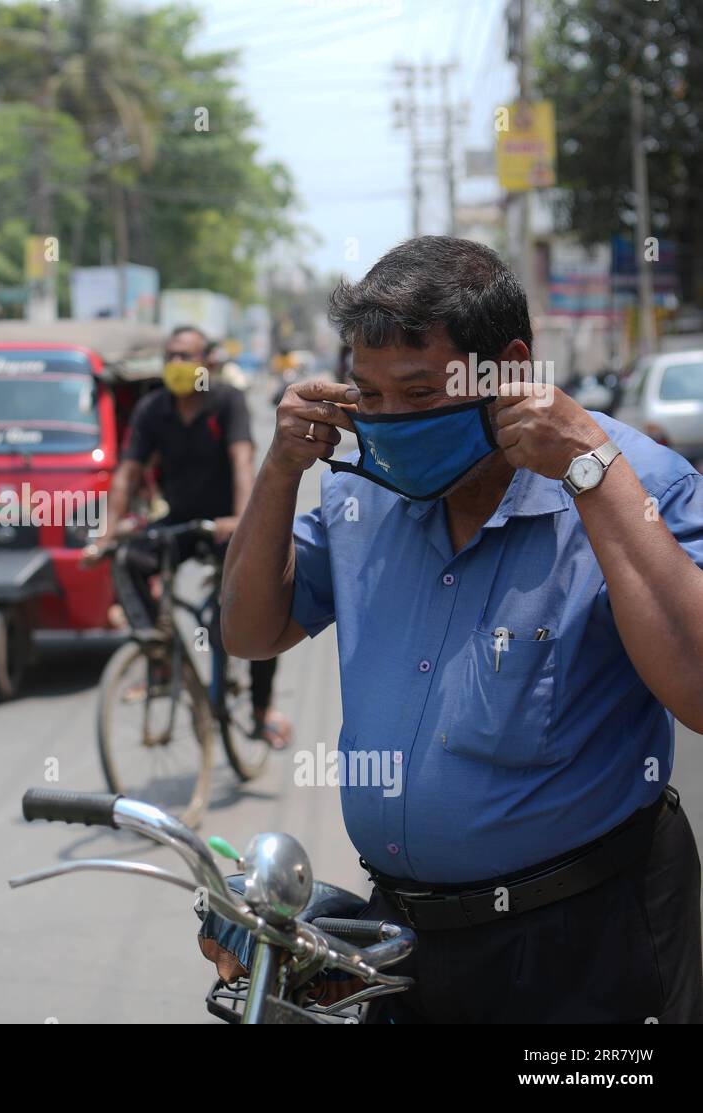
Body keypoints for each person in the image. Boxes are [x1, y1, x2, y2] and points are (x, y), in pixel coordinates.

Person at [222, 235, 703, 1022]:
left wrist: (589, 469)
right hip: (404, 944)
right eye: (367, 397)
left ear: (510, 368)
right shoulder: (363, 493)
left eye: (418, 393)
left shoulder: (633, 481)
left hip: (585, 943)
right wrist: (280, 470)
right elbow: (249, 630)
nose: (390, 424)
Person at [91, 324, 291, 747]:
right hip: (181, 520)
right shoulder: (153, 409)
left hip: (227, 522)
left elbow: (242, 460)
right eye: (171, 357)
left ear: (207, 363)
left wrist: (240, 519)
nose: (177, 365)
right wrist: (108, 533)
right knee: (128, 560)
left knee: (254, 609)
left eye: (186, 356)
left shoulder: (226, 402)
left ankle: (260, 708)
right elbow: (127, 472)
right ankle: (161, 660)